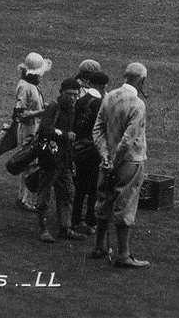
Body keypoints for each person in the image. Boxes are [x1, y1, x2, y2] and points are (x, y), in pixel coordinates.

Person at [90, 61, 151, 268]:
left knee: (104, 199)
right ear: (141, 80)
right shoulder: (138, 104)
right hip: (129, 161)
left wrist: (105, 157)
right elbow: (129, 138)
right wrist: (115, 161)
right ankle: (123, 254)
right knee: (125, 204)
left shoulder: (108, 97)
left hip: (107, 160)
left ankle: (99, 246)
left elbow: (97, 130)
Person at [31, 78, 85, 243]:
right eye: (70, 94)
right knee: (44, 196)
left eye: (76, 95)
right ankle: (43, 229)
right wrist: (63, 134)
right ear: (61, 93)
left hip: (64, 160)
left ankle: (65, 227)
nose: (73, 98)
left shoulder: (72, 109)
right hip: (50, 159)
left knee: (68, 193)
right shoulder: (54, 107)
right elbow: (44, 129)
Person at [71, 61, 110, 235]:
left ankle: (75, 219)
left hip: (78, 148)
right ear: (102, 86)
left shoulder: (80, 101)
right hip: (93, 150)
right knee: (94, 187)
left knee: (79, 186)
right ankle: (90, 219)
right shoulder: (100, 103)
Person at [13, 53, 51, 212]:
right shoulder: (26, 87)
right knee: (28, 164)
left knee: (28, 163)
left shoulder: (29, 85)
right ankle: (25, 199)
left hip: (33, 128)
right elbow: (19, 114)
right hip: (28, 129)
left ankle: (23, 197)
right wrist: (41, 112)